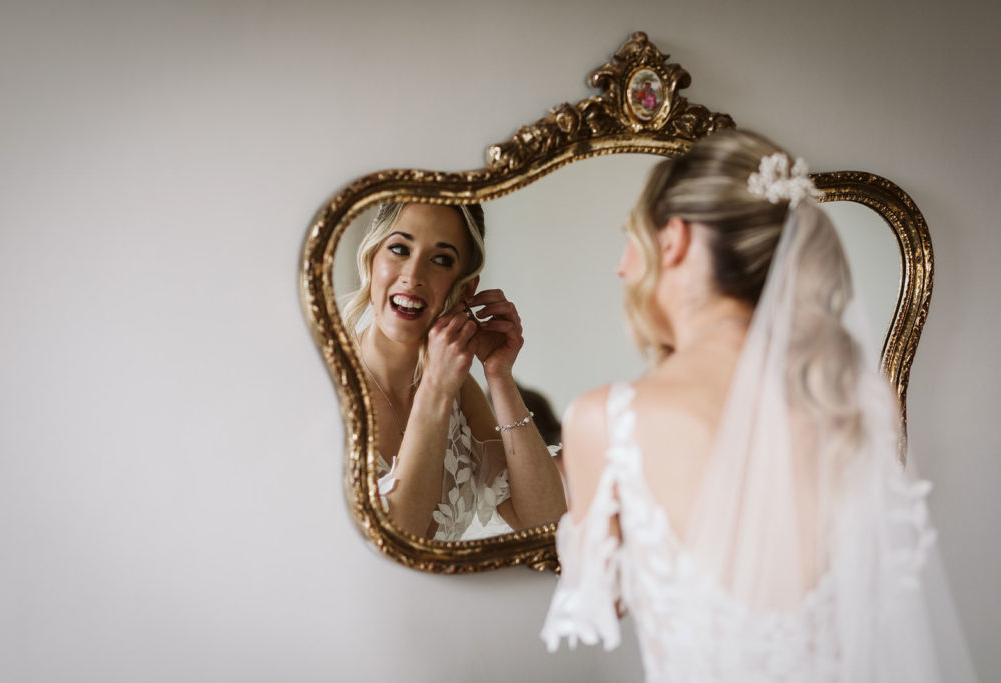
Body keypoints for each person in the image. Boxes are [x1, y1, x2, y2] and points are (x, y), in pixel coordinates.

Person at [541, 130, 977, 681]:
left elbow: (599, 597)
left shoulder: (608, 420)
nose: (621, 266)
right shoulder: (854, 402)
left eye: (630, 239)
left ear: (673, 241)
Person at [342, 202, 566, 541]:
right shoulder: (327, 378)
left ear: (465, 288)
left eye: (441, 259)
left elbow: (547, 524)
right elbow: (396, 542)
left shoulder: (461, 391)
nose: (413, 276)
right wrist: (435, 389)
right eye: (399, 249)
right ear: (371, 257)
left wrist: (499, 374)